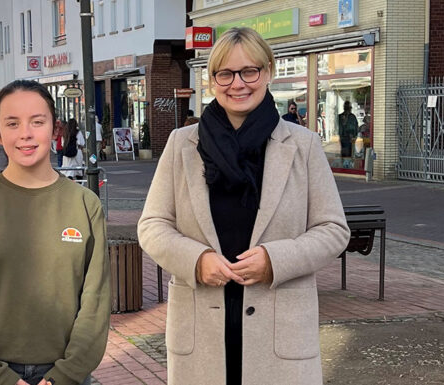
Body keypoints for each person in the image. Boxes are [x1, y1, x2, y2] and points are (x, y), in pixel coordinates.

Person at [137, 27, 350, 385]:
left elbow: (333, 230)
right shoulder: (181, 145)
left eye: (249, 71)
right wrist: (196, 260)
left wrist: (276, 260)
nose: (238, 84)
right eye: (226, 73)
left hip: (278, 326)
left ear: (267, 71)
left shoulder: (303, 145)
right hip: (202, 321)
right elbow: (153, 225)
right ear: (212, 80)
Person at [0, 80, 110, 385]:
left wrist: (66, 374)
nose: (25, 134)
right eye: (12, 123)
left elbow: (95, 299)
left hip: (67, 374)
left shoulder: (85, 205)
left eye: (37, 121)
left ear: (55, 129)